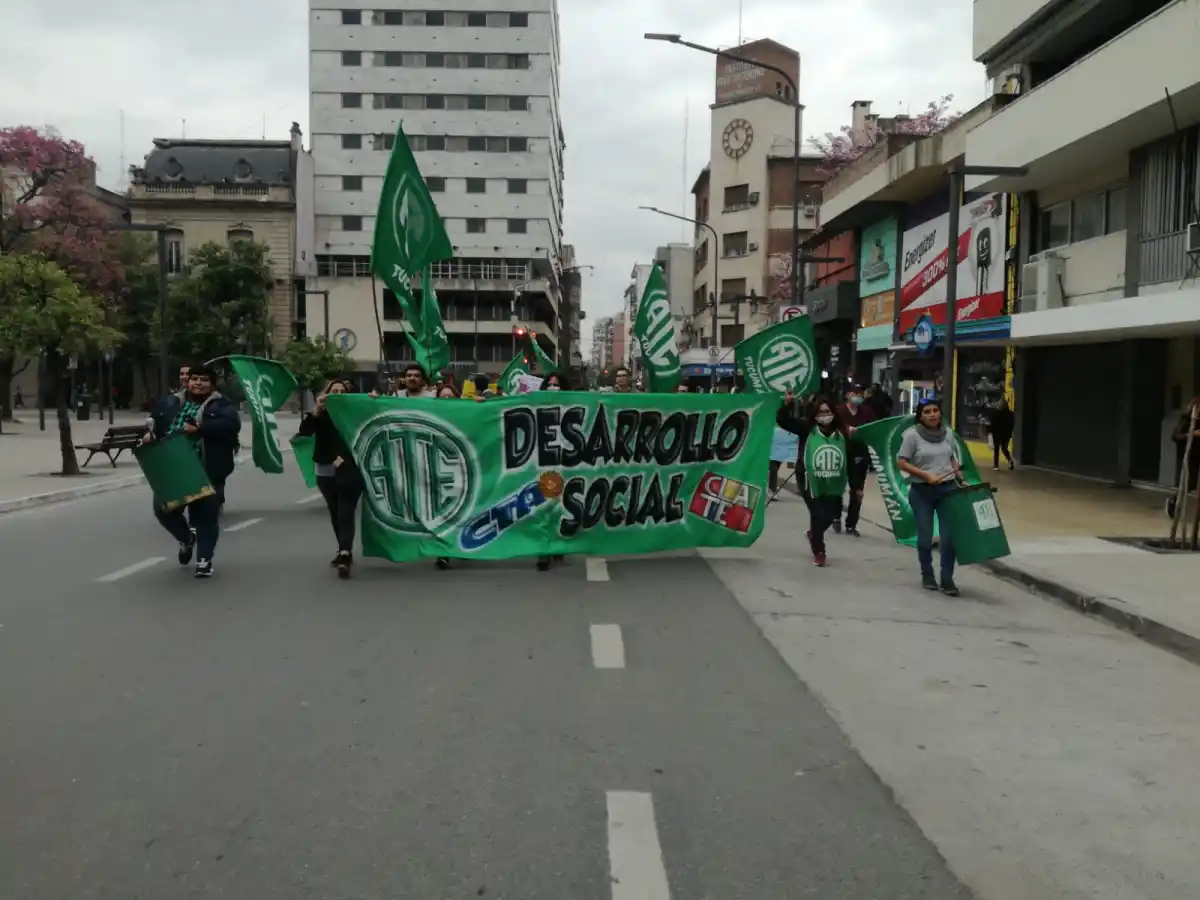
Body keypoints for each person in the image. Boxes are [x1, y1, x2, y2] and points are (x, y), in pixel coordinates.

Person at [144, 364, 241, 578]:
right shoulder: (170, 402)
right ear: (187, 381)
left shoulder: (222, 405)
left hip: (206, 468)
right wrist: (150, 435)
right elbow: (154, 423)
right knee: (164, 511)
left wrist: (200, 429)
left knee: (206, 516)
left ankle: (204, 559)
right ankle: (186, 538)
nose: (198, 383)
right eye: (194, 378)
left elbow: (231, 426)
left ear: (212, 384)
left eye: (204, 379)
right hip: (172, 468)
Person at [297, 379, 364, 578]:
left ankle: (345, 552)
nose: (336, 394)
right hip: (325, 466)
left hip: (350, 466)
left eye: (341, 391)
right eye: (332, 391)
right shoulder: (321, 414)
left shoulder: (355, 413)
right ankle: (343, 548)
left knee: (345, 511)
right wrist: (316, 410)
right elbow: (305, 432)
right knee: (335, 511)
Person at [776, 392, 851, 567]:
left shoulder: (842, 433)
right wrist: (787, 404)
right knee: (817, 514)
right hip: (809, 478)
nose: (824, 416)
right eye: (821, 412)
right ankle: (819, 551)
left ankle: (813, 534)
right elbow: (783, 421)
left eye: (827, 412)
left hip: (833, 479)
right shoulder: (806, 429)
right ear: (815, 414)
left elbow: (850, 454)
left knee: (830, 515)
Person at [897, 400, 963, 595]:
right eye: (927, 411)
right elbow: (901, 462)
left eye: (935, 410)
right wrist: (926, 475)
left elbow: (951, 458)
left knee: (949, 538)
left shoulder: (948, 434)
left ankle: (947, 579)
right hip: (922, 492)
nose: (933, 414)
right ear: (920, 416)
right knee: (925, 538)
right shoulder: (912, 436)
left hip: (947, 490)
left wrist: (960, 477)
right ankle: (927, 573)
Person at [536, 373, 567, 571]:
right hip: (540, 464)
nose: (553, 387)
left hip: (566, 463)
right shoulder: (534, 406)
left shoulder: (572, 408)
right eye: (550, 384)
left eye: (557, 384)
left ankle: (556, 543)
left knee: (559, 506)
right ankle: (543, 550)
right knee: (543, 506)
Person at [834, 384, 875, 536]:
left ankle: (851, 523)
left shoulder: (867, 412)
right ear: (847, 395)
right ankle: (836, 516)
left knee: (857, 491)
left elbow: (872, 428)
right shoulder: (838, 411)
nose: (858, 396)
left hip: (860, 455)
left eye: (860, 393)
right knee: (837, 488)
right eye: (854, 393)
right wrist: (845, 429)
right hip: (841, 454)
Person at [1167, 396, 1200, 520]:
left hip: (1198, 455)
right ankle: (1173, 502)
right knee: (1189, 483)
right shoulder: (1185, 419)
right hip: (1189, 455)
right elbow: (1175, 437)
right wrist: (1191, 434)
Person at [987, 399, 1015, 471]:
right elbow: (1012, 425)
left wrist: (990, 434)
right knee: (1004, 448)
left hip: (997, 434)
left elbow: (992, 425)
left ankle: (996, 466)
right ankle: (1010, 460)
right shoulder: (1011, 414)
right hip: (1006, 434)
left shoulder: (996, 413)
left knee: (996, 449)